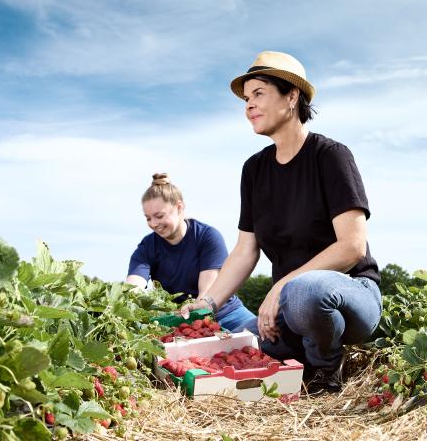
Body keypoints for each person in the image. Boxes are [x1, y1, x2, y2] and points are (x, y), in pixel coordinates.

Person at [180, 51, 382, 393]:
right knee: (249, 339)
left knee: (304, 291)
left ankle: (325, 374)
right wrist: (208, 303)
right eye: (246, 99)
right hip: (291, 307)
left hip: (349, 295)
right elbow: (245, 250)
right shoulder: (254, 170)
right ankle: (297, 356)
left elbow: (352, 246)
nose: (248, 106)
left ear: (292, 97)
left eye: (258, 94)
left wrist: (281, 286)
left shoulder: (331, 156)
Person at [126, 173, 257, 333]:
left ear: (179, 207)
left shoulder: (207, 237)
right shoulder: (147, 247)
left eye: (159, 216)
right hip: (182, 319)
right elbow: (134, 286)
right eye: (148, 218)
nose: (154, 224)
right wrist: (126, 301)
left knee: (263, 336)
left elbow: (206, 294)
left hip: (228, 314)